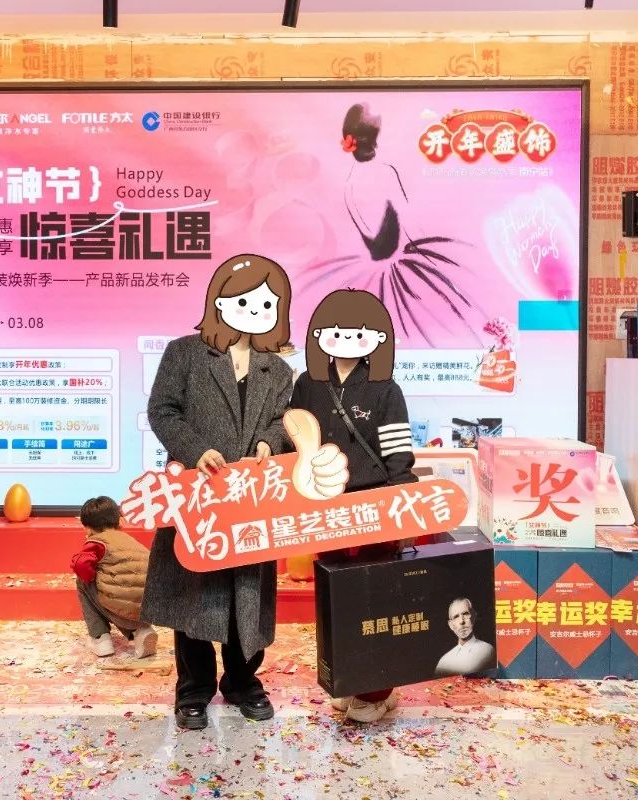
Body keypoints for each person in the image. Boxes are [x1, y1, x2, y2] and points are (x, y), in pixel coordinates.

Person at [141, 253, 294, 731]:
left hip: (252, 498)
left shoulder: (278, 370)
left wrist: (270, 442)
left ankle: (243, 683)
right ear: (219, 301)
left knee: (248, 597)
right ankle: (193, 690)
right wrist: (196, 450)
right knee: (194, 594)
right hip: (198, 494)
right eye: (243, 300)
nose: (254, 310)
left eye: (266, 303)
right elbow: (162, 411)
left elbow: (283, 423)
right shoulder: (185, 353)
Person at [289, 288, 418, 723]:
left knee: (375, 599)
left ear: (378, 339)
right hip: (326, 508)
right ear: (319, 335)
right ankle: (348, 680)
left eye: (360, 333)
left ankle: (377, 690)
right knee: (336, 599)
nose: (347, 339)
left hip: (373, 506)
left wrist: (402, 503)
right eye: (337, 331)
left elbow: (398, 453)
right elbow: (295, 440)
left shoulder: (385, 388)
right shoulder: (308, 385)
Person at [296, 102, 486, 349]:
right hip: (405, 264)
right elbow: (409, 224)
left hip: (377, 272)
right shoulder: (386, 173)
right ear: (375, 140)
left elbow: (369, 235)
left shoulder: (349, 184)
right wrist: (432, 259)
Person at [71, 496, 158, 659]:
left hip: (121, 612)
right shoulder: (131, 541)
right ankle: (142, 630)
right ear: (119, 521)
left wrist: (91, 577)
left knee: (82, 582)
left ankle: (100, 638)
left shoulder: (97, 543)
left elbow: (80, 564)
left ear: (87, 528)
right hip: (145, 611)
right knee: (125, 591)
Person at [434, 598, 496, 678]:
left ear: (473, 616)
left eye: (465, 614)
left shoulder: (487, 650)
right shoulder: (444, 661)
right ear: (451, 625)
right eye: (456, 617)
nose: (462, 621)